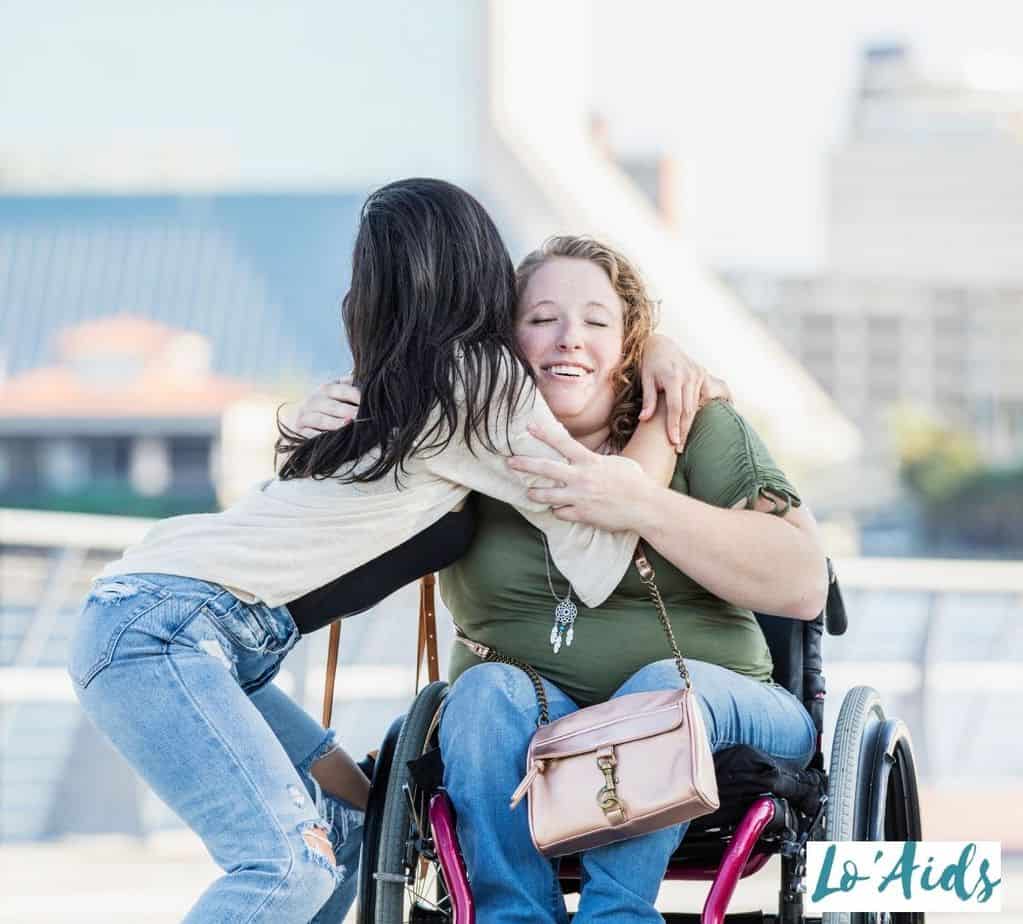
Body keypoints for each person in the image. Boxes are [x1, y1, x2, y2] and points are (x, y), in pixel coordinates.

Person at [66, 179, 722, 924]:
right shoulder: (478, 385)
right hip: (172, 629)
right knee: (287, 864)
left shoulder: (414, 384)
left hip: (181, 626)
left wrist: (655, 351)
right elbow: (602, 554)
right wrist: (667, 410)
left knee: (348, 833)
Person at [307, 235, 828, 923]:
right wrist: (311, 430)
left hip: (721, 713)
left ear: (630, 343)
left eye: (595, 321)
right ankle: (514, 914)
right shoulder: (459, 444)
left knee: (655, 691)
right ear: (503, 340)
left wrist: (641, 503)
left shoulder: (689, 424)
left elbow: (801, 584)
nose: (568, 339)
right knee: (481, 693)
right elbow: (333, 520)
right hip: (523, 721)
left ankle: (617, 914)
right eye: (541, 318)